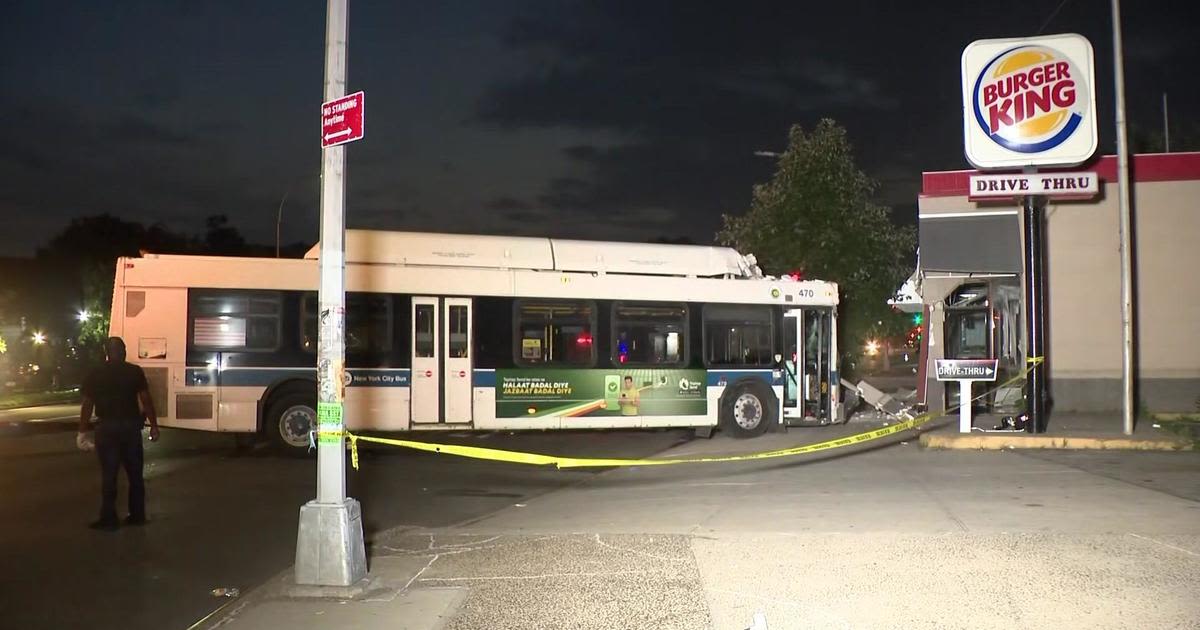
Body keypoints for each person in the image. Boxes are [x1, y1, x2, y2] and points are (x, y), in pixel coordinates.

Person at [78, 337, 159, 531]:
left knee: (109, 474)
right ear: (123, 351)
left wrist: (82, 430)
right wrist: (154, 425)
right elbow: (146, 400)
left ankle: (109, 517)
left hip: (107, 428)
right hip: (130, 427)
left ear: (106, 352)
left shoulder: (95, 373)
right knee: (135, 474)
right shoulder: (134, 371)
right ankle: (137, 514)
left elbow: (87, 403)